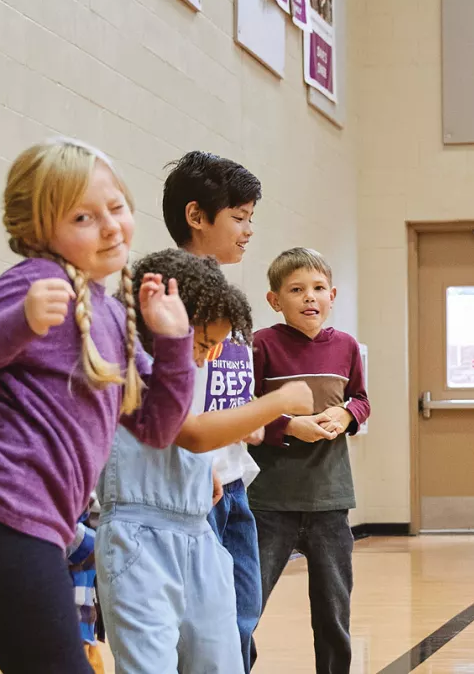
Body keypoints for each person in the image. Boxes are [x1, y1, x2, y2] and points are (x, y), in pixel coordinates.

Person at [0, 138, 196, 674]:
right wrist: (16, 322)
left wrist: (176, 341)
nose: (111, 226)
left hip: (28, 527)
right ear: (41, 231)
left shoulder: (112, 315)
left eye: (116, 208)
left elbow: (159, 428)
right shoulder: (38, 283)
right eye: (85, 217)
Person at [95, 248, 313, 673]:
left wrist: (200, 473)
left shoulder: (182, 370)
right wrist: (279, 403)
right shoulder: (124, 364)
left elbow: (187, 443)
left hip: (197, 531)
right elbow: (191, 433)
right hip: (138, 538)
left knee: (221, 661)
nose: (207, 355)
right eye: (203, 343)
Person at [161, 150, 268, 669]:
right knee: (203, 627)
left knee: (243, 613)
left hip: (233, 480)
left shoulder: (227, 293)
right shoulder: (171, 296)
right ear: (197, 216)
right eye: (239, 217)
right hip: (194, 487)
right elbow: (174, 403)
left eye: (252, 219)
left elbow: (223, 390)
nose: (248, 230)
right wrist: (197, 462)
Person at [247, 247, 370, 674]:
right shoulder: (261, 344)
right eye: (296, 290)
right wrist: (289, 425)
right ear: (275, 300)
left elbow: (361, 401)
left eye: (318, 288)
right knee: (247, 604)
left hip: (330, 502)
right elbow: (246, 410)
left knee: (334, 611)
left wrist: (346, 414)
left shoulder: (347, 347)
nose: (309, 297)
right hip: (270, 502)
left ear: (332, 294)